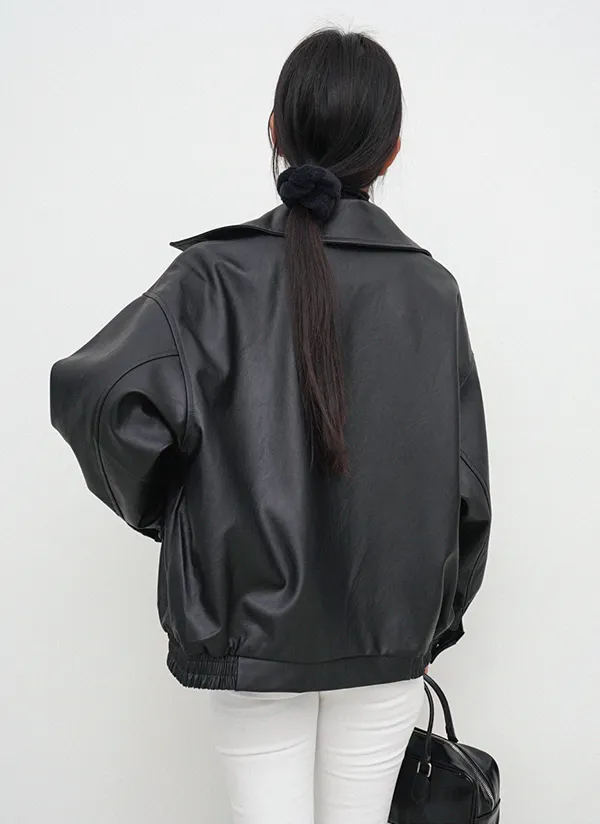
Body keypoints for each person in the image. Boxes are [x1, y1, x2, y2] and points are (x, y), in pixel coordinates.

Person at [50, 27, 492, 824]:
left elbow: (102, 400)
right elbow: (467, 488)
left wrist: (186, 514)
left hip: (249, 627)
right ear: (391, 150)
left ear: (274, 133)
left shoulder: (212, 277)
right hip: (387, 630)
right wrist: (433, 621)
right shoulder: (433, 292)